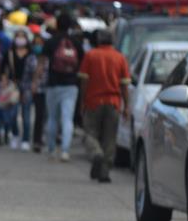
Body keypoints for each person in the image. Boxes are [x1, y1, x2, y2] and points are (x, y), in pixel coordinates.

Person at [78, 29, 130, 183]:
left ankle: (96, 154)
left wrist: (82, 101)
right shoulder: (120, 58)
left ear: (99, 40)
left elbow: (84, 82)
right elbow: (125, 85)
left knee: (90, 133)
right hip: (113, 103)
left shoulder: (91, 55)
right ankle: (104, 172)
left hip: (93, 102)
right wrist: (126, 106)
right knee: (110, 138)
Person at [36, 12, 84, 162]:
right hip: (71, 85)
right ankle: (65, 150)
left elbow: (42, 63)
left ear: (57, 25)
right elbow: (82, 65)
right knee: (67, 119)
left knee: (52, 118)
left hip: (53, 84)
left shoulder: (51, 42)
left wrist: (36, 80)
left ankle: (51, 149)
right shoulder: (76, 42)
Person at [0, 30, 32, 151]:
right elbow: (3, 69)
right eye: (18, 36)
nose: (20, 39)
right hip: (13, 86)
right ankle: (15, 134)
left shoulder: (31, 53)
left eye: (22, 36)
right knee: (12, 114)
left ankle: (25, 139)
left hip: (27, 87)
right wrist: (4, 82)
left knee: (26, 114)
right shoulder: (9, 53)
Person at [23, 34, 48, 153]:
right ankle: (31, 139)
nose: (38, 46)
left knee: (43, 116)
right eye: (36, 43)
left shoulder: (48, 59)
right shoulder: (30, 58)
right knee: (32, 115)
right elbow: (26, 76)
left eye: (40, 43)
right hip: (32, 90)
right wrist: (27, 89)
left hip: (45, 90)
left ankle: (39, 138)